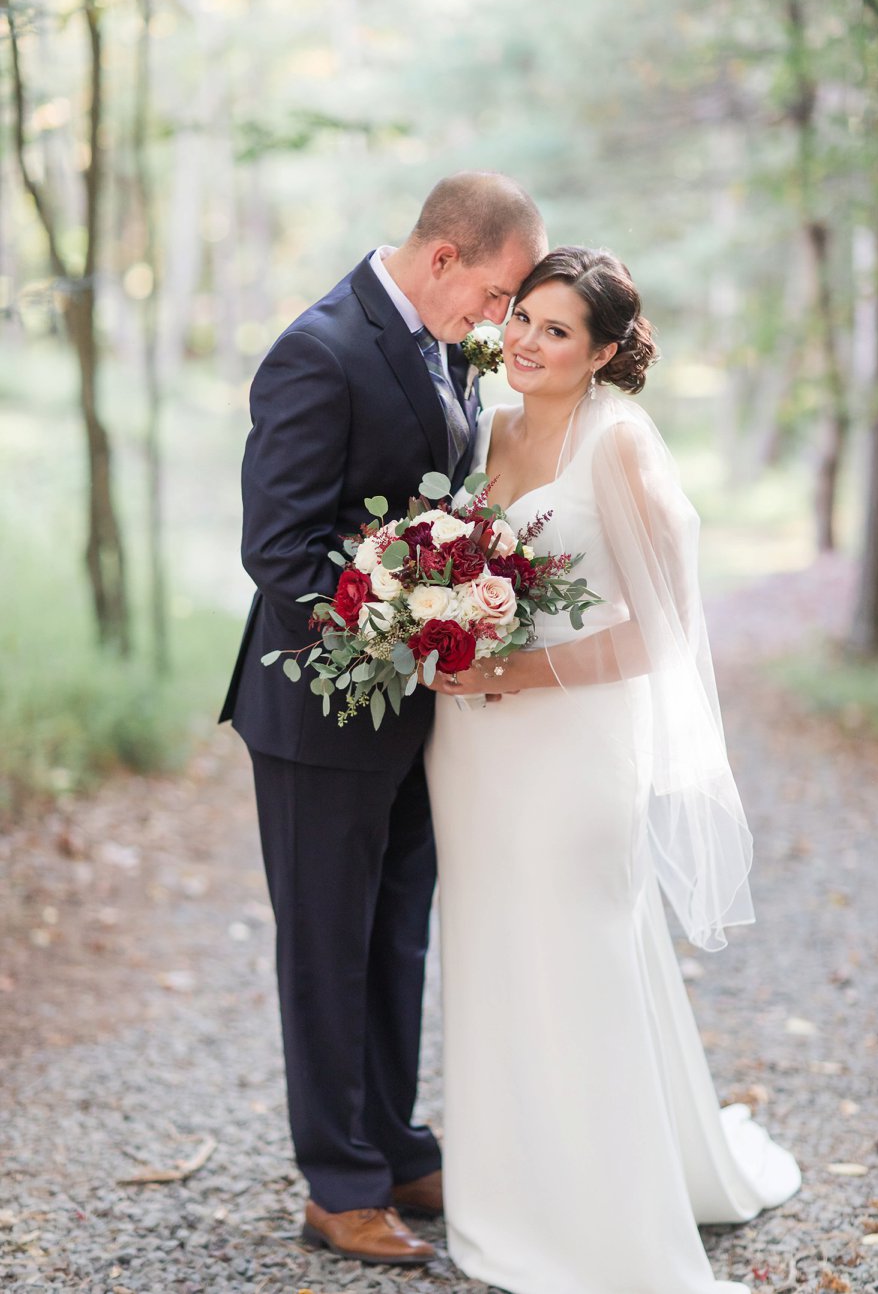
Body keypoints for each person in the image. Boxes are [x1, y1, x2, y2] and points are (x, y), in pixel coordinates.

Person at [426, 246, 801, 1294]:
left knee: (580, 952)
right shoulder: (486, 430)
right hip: (473, 746)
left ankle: (608, 1221)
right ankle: (509, 1198)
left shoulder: (620, 446)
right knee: (493, 952)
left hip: (574, 741)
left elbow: (662, 636)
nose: (530, 345)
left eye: (558, 332)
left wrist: (514, 666)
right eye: (526, 321)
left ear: (601, 354)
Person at [219, 172, 547, 1266]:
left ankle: (395, 1142)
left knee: (394, 935)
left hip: (414, 715)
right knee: (327, 948)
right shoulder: (319, 347)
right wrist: (402, 629)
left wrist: (454, 614)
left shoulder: (439, 343)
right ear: (445, 257)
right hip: (320, 717)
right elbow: (280, 552)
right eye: (497, 295)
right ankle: (339, 1185)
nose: (498, 321)